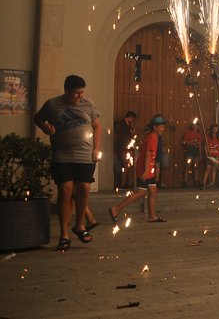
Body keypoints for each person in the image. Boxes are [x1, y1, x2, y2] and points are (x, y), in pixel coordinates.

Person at [34, 74, 102, 252]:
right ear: (66, 91)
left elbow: (97, 126)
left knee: (84, 189)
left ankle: (79, 225)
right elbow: (38, 118)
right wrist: (45, 127)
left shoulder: (88, 104)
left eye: (82, 92)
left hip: (85, 155)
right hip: (62, 155)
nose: (80, 96)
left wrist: (96, 149)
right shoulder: (53, 104)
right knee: (65, 191)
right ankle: (64, 235)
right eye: (76, 93)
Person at [108, 116, 168, 224]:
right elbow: (148, 154)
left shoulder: (155, 137)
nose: (163, 129)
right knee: (140, 193)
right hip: (145, 168)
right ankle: (116, 209)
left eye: (164, 127)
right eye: (161, 127)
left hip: (149, 168)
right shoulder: (152, 137)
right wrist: (146, 171)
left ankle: (152, 216)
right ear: (155, 127)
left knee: (153, 190)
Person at [113, 111, 137, 189]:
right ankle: (124, 184)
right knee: (126, 166)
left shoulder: (125, 125)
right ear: (130, 117)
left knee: (127, 166)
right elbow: (129, 136)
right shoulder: (124, 126)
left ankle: (127, 183)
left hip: (126, 149)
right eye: (132, 119)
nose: (133, 121)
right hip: (124, 149)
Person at [202, 123, 219, 189]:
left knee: (214, 169)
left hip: (216, 155)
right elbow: (206, 146)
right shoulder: (208, 137)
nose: (215, 130)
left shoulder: (218, 137)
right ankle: (204, 184)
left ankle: (213, 184)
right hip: (210, 154)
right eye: (214, 129)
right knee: (208, 168)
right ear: (211, 129)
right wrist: (207, 153)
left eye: (216, 129)